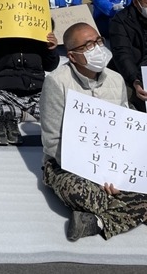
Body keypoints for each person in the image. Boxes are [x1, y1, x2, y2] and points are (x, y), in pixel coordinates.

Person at [39, 22, 147, 241]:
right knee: (80, 192)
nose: (97, 48)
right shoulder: (56, 83)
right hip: (68, 165)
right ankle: (136, 207)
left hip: (114, 163)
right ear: (72, 56)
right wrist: (94, 175)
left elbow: (126, 133)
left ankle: (96, 222)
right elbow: (53, 141)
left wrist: (119, 176)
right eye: (88, 46)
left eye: (98, 41)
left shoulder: (116, 80)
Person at [0, 27, 59, 146]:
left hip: (35, 92)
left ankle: (11, 115)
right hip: (5, 92)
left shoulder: (40, 37)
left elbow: (50, 66)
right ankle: (12, 117)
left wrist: (51, 49)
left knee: (55, 106)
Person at [109, 0, 147, 112]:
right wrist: (135, 81)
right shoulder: (120, 21)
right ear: (136, 2)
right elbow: (122, 55)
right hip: (133, 74)